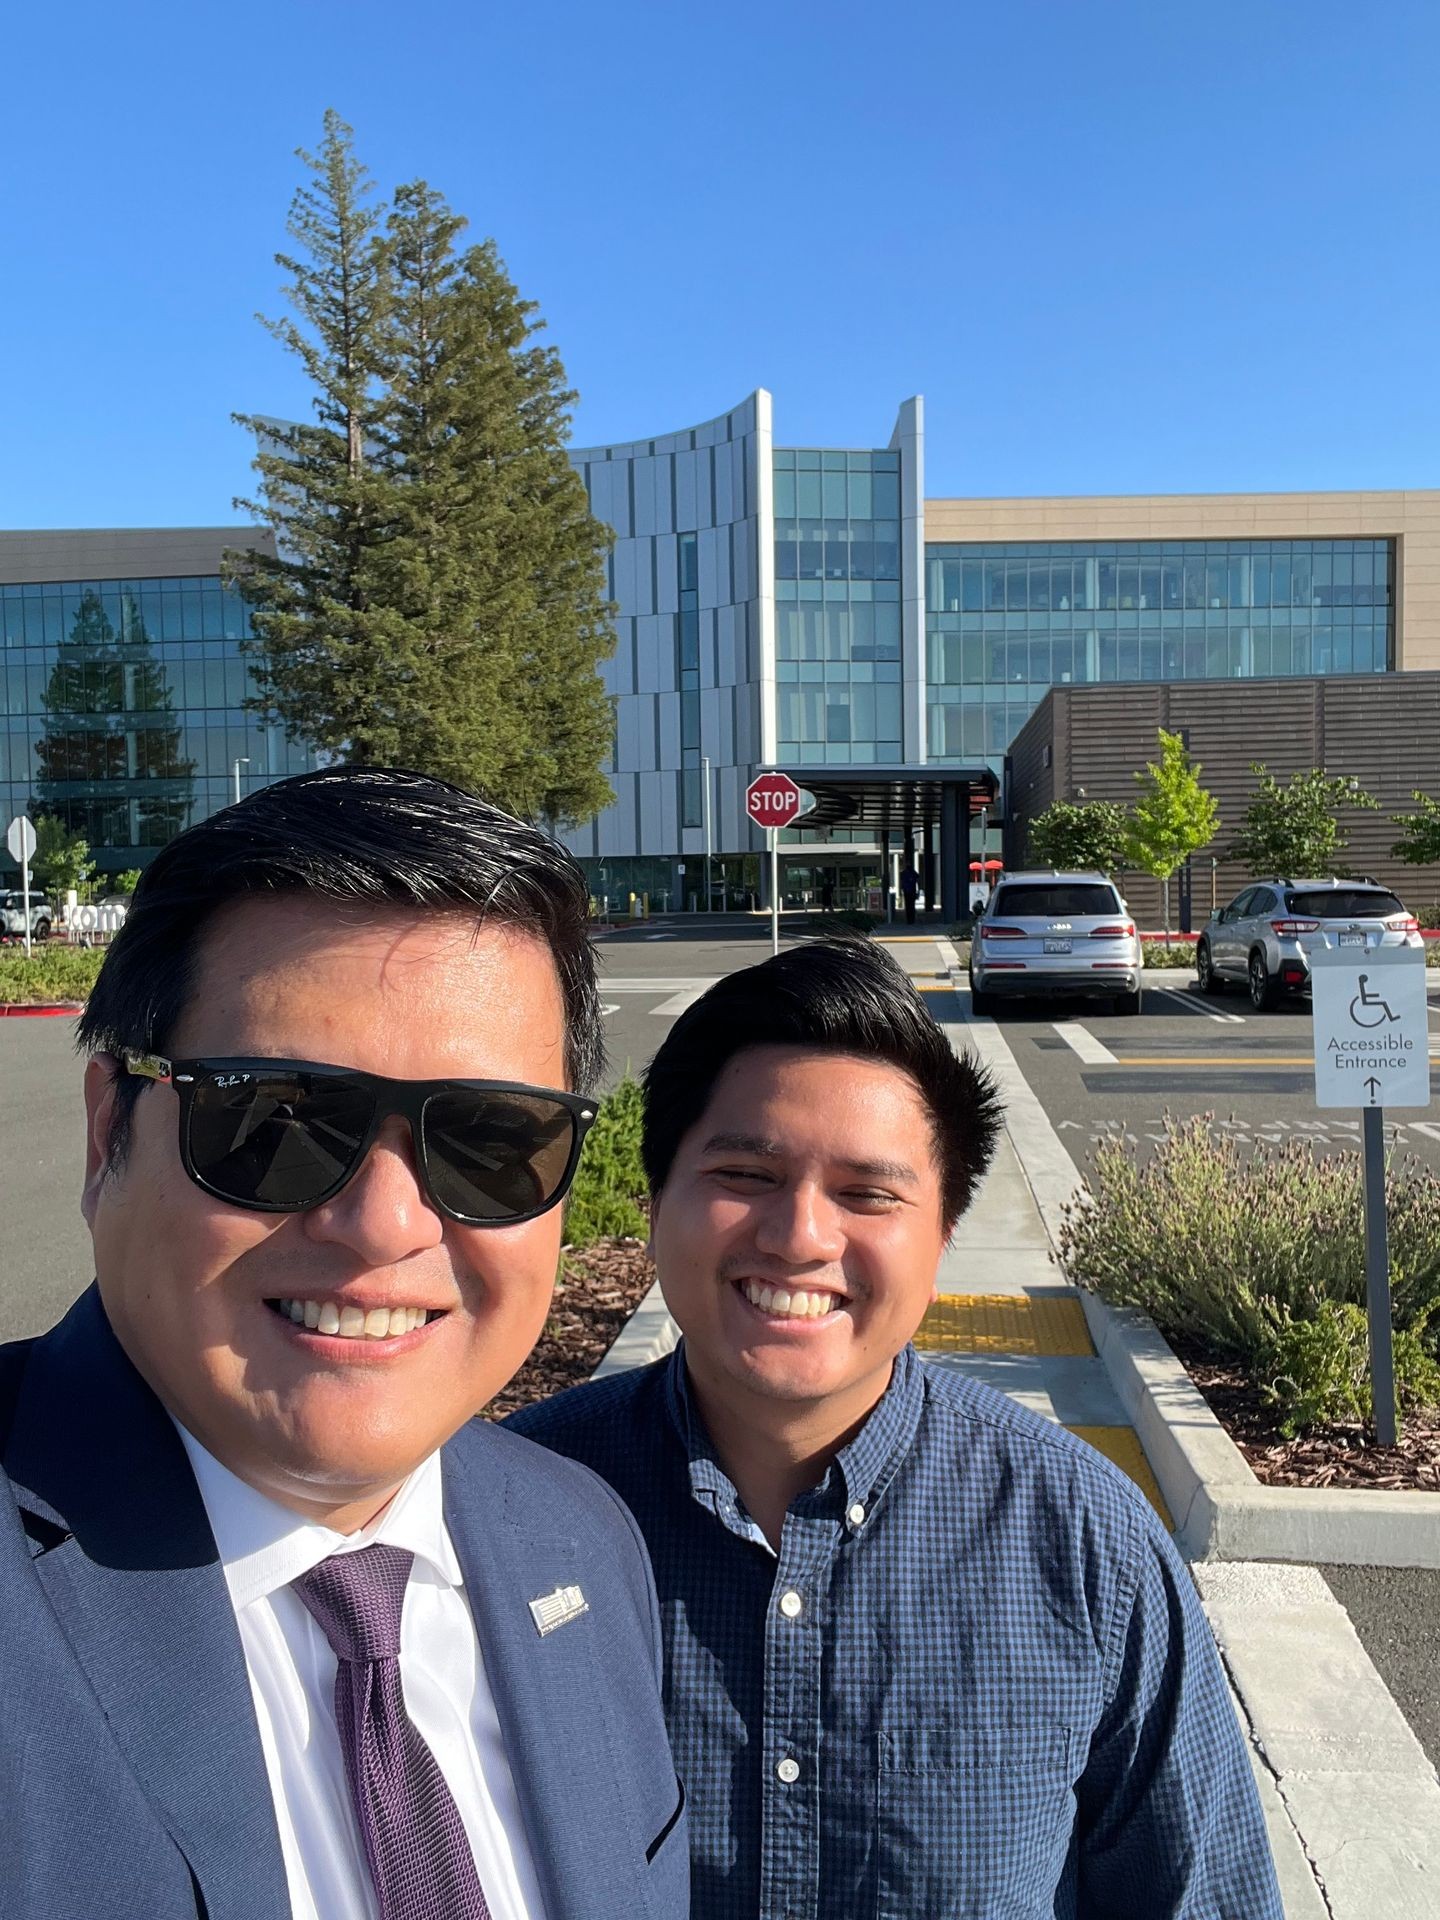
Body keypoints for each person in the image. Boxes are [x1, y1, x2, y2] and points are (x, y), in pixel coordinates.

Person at [0, 768, 687, 1920]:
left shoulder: (584, 1545)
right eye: (276, 1119)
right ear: (108, 1125)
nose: (385, 1224)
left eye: (488, 1139)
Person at [511, 941, 1283, 1919]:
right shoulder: (512, 1515)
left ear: (942, 1237)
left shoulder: (1090, 1546)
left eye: (868, 1194)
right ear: (658, 1200)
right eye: (745, 1172)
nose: (799, 1237)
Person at [898, 857, 919, 924]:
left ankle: (909, 919)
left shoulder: (904, 873)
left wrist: (902, 889)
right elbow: (917, 879)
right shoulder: (913, 872)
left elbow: (902, 882)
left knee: (908, 906)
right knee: (911, 905)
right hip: (911, 890)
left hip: (907, 891)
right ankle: (911, 919)